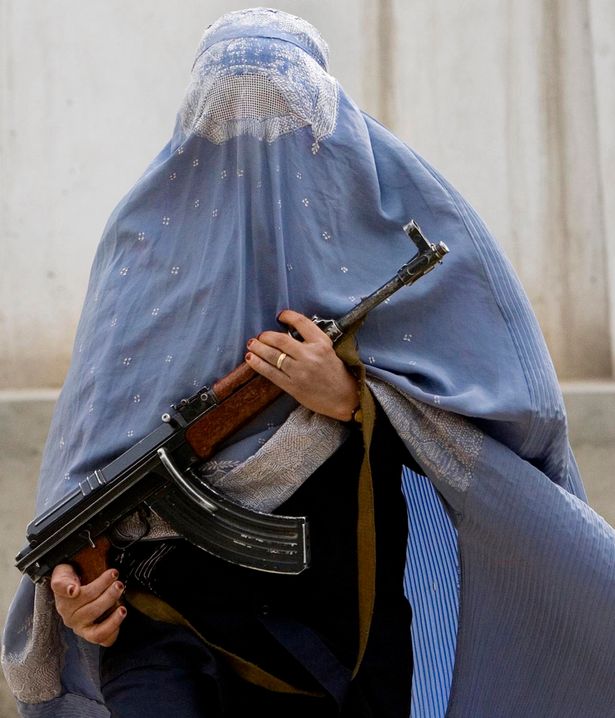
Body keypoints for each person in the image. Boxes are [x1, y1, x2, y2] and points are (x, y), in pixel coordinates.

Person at [3, 7, 615, 718]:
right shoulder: (143, 239)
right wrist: (74, 596)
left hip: (348, 620)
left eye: (280, 110)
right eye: (227, 113)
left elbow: (512, 412)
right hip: (165, 616)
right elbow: (85, 458)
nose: (256, 142)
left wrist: (351, 398)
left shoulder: (398, 222)